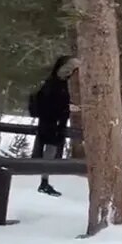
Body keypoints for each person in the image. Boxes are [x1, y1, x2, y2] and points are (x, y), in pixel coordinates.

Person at [31, 55, 79, 196]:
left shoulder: (59, 83)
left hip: (54, 122)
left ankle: (44, 181)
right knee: (49, 151)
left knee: (49, 151)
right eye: (68, 69)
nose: (70, 73)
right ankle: (44, 181)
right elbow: (51, 104)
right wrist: (67, 108)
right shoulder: (54, 83)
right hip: (51, 122)